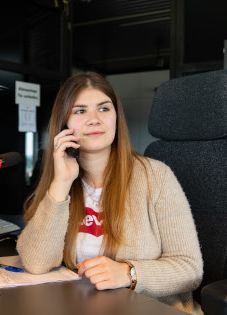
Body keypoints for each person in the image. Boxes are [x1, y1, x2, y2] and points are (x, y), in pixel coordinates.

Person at [16, 72, 203, 314]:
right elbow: (36, 263)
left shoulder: (156, 177)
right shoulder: (62, 182)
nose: (94, 119)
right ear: (64, 124)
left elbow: (190, 269)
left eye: (103, 109)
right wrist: (61, 184)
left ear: (116, 117)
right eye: (80, 111)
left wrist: (129, 273)